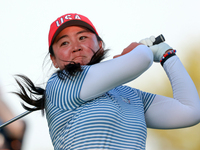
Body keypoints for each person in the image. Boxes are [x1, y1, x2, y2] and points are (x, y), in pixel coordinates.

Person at [14, 13, 200, 150]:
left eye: (82, 37)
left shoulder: (129, 95)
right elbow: (141, 59)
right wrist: (141, 48)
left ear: (99, 45)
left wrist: (168, 56)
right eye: (64, 43)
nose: (76, 47)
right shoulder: (60, 84)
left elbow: (189, 111)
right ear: (54, 59)